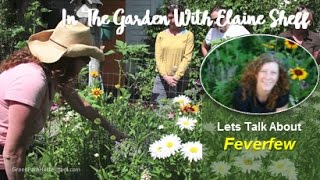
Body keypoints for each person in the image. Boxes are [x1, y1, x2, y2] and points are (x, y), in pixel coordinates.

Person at [0, 20, 126, 179]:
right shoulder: (32, 80)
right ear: (69, 60)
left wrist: (114, 131)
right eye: (86, 59)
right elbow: (13, 153)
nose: (87, 65)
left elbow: (81, 105)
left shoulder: (51, 75)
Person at [151, 3, 194, 103]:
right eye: (170, 17)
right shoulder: (161, 35)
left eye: (176, 17)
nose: (173, 21)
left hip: (180, 79)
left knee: (176, 109)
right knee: (157, 107)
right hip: (162, 78)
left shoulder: (188, 35)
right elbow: (158, 57)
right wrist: (166, 77)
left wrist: (176, 77)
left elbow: (187, 58)